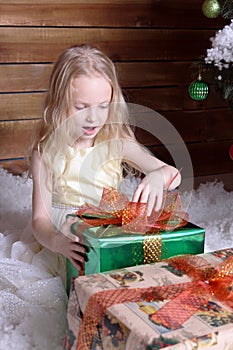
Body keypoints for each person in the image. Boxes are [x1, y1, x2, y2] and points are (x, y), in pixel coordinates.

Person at [29, 44, 181, 283]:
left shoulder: (115, 141)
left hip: (108, 229)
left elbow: (174, 174)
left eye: (103, 106)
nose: (94, 118)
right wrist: (58, 242)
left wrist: (157, 176)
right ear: (60, 102)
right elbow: (40, 221)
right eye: (81, 107)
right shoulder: (46, 153)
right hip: (69, 237)